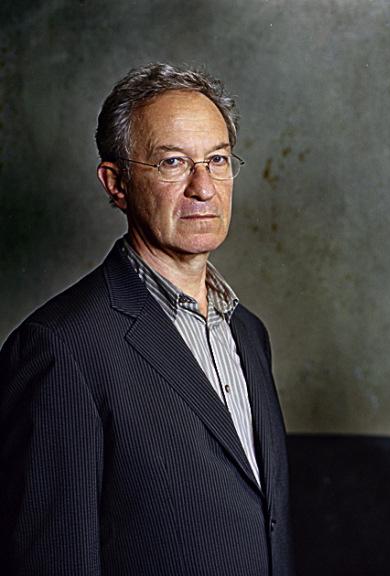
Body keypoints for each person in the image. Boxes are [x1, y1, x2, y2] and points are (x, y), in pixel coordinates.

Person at [0, 63, 293, 576]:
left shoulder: (248, 332)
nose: (204, 187)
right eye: (173, 162)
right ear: (116, 183)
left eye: (218, 160)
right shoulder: (60, 348)